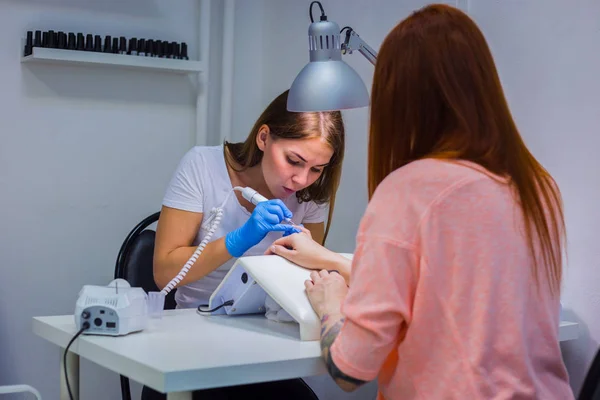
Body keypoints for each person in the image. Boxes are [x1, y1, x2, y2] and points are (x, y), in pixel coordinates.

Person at [266, 4, 574, 400]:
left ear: (398, 100)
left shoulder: (408, 191)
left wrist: (332, 306)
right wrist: (331, 261)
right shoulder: (538, 187)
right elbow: (450, 290)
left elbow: (348, 370)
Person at [146, 89, 345, 400]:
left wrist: (306, 260)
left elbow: (305, 282)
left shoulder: (310, 193)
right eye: (293, 160)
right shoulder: (203, 166)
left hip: (267, 340)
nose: (301, 179)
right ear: (264, 138)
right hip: (192, 342)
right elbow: (164, 272)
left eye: (317, 169)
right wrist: (236, 241)